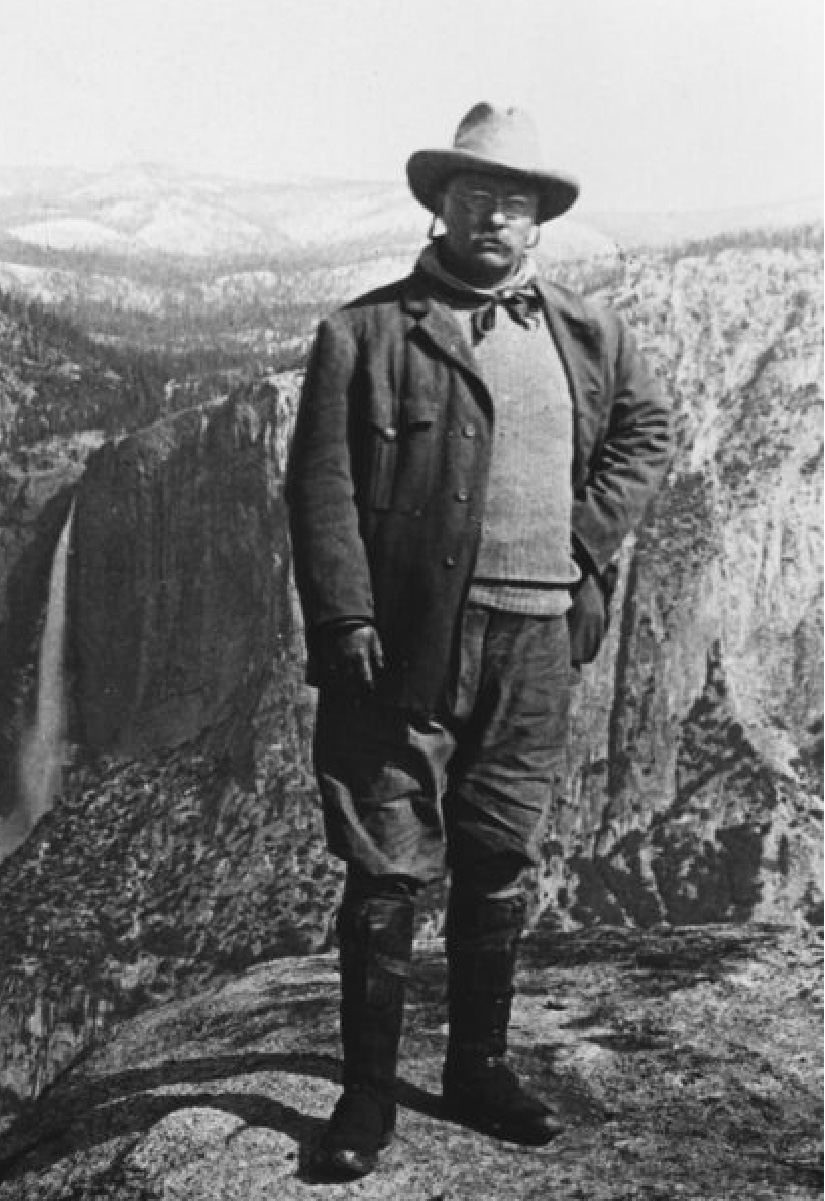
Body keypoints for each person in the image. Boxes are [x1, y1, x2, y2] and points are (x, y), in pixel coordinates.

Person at [284, 103, 672, 1178]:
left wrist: (582, 541)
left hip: (537, 638)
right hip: (402, 644)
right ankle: (365, 1097)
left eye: (513, 201)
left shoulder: (585, 334)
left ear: (537, 220)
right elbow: (319, 488)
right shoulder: (362, 335)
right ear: (440, 208)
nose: (493, 217)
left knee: (500, 853)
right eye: (473, 197)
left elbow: (648, 432)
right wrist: (344, 615)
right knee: (387, 863)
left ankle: (476, 1069)